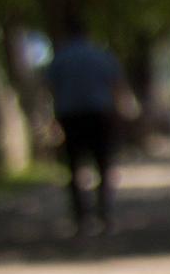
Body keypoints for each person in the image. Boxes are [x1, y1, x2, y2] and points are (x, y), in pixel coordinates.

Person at [44, 24, 125, 236]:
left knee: (74, 168)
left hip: (70, 117)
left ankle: (80, 217)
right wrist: (118, 114)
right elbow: (116, 85)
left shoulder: (60, 58)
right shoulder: (101, 56)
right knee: (103, 166)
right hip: (99, 114)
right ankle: (104, 214)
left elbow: (51, 88)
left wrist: (53, 117)